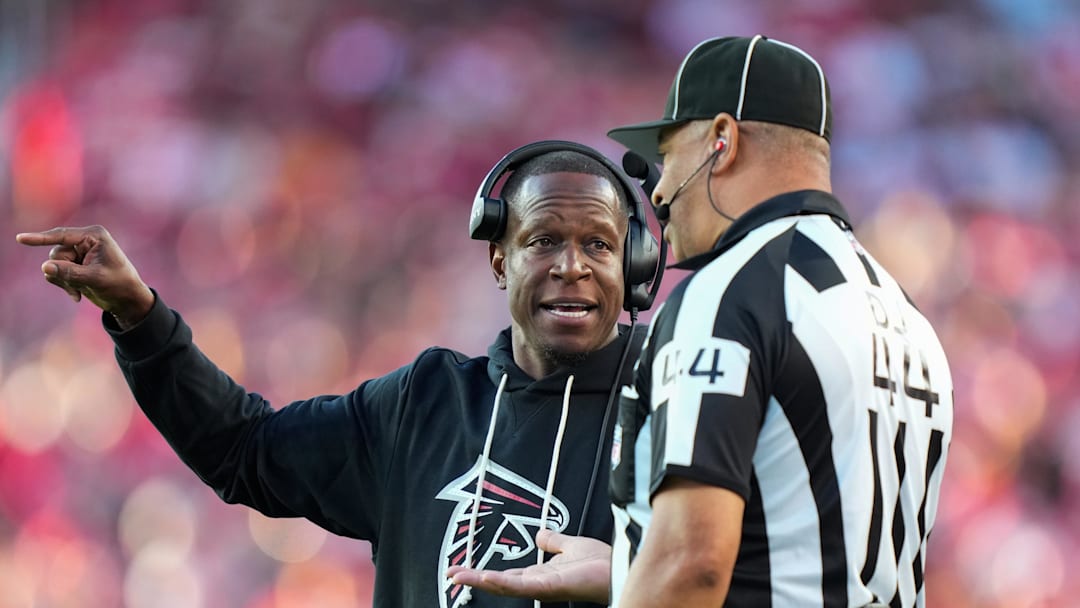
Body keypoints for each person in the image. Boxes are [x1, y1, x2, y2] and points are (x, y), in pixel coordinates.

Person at [15, 140, 663, 608]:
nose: (571, 264)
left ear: (632, 263)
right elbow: (247, 450)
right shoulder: (424, 403)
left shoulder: (676, 400)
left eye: (599, 244)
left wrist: (633, 581)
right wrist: (138, 315)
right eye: (543, 240)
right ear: (499, 261)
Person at [449, 35, 955, 608]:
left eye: (670, 154)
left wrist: (653, 572)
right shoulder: (906, 316)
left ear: (722, 140)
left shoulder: (728, 295)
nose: (659, 190)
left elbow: (690, 567)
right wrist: (627, 570)